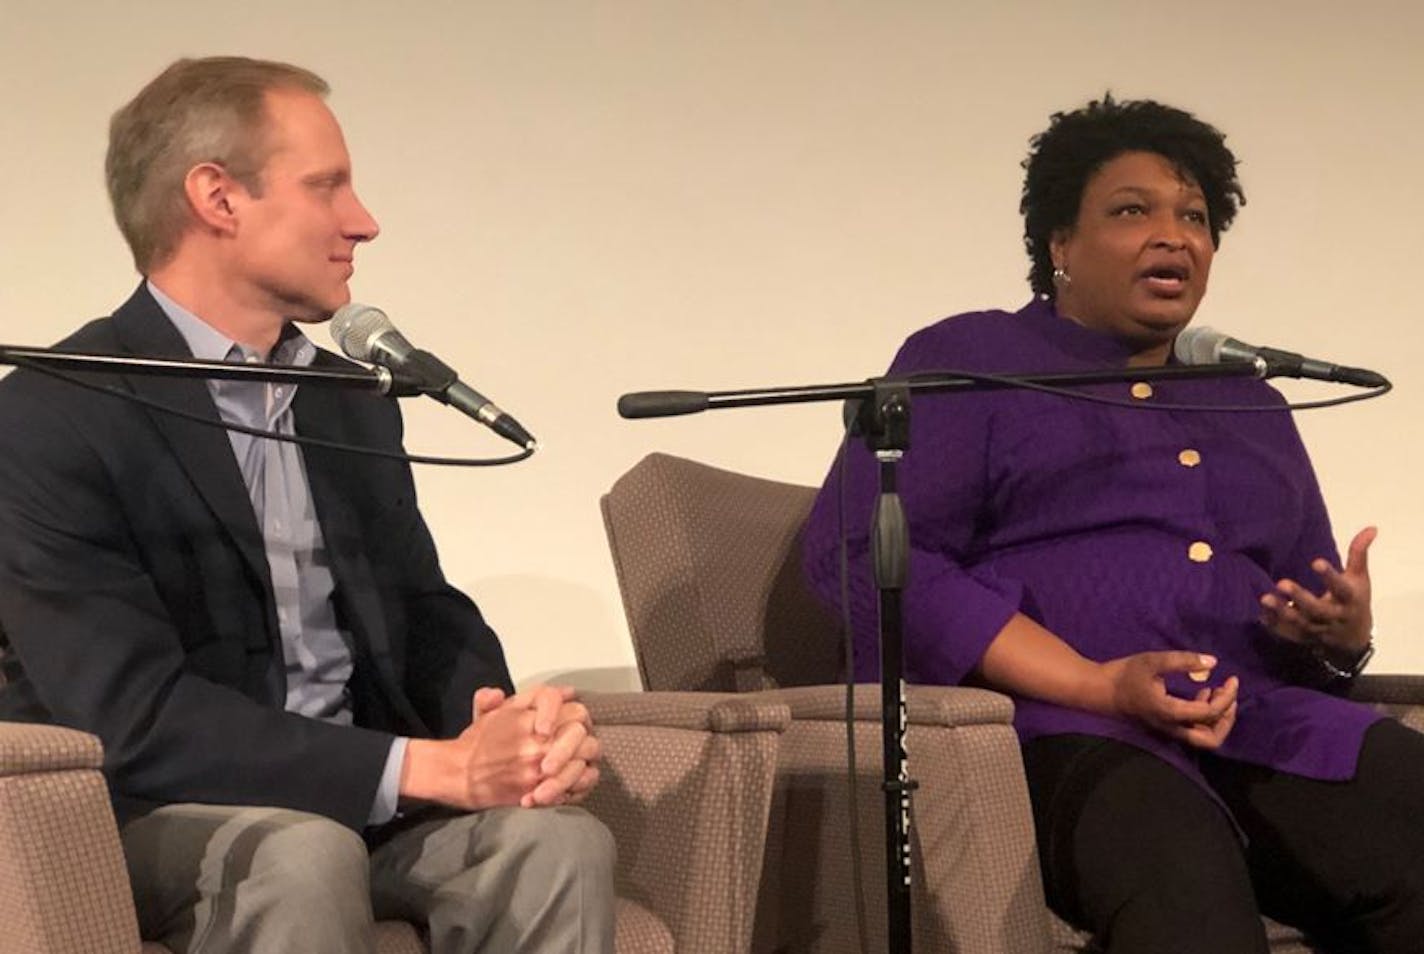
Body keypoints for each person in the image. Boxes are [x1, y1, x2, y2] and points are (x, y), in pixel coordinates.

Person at [0, 56, 614, 954]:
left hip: (359, 803)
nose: (362, 222)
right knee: (302, 857)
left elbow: (423, 615)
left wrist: (503, 725)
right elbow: (127, 717)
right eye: (326, 187)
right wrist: (426, 767)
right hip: (146, 816)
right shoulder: (53, 414)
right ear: (217, 197)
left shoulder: (347, 398)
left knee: (555, 846)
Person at [803, 95, 1424, 953]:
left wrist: (1338, 634)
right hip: (1060, 733)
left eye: (1196, 217)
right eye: (1133, 211)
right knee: (1174, 862)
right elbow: (856, 554)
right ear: (1059, 244)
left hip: (1255, 724)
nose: (1175, 235)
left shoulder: (1250, 399)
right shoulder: (974, 361)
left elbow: (1307, 624)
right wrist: (1096, 684)